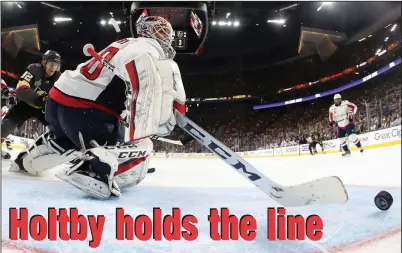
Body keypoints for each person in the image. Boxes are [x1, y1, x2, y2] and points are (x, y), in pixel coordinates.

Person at [9, 16, 186, 199]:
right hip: (84, 111)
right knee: (141, 144)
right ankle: (94, 169)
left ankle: (26, 162)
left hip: (57, 101)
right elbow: (144, 88)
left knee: (66, 140)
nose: (167, 38)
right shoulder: (147, 48)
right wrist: (155, 122)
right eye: (162, 31)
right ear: (148, 31)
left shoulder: (125, 43)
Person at [1, 51, 62, 159]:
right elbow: (20, 89)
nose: (53, 67)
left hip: (45, 108)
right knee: (7, 124)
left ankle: (57, 151)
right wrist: (39, 99)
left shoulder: (59, 78)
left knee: (58, 128)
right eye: (51, 63)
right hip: (26, 104)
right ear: (44, 62)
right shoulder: (33, 69)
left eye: (56, 64)